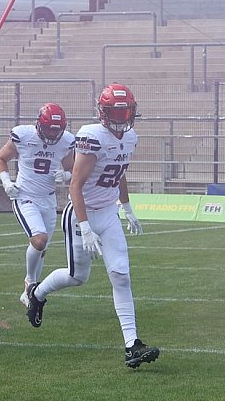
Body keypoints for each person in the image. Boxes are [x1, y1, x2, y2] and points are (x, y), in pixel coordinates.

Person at [23, 83, 158, 368]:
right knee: (77, 276)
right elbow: (75, 185)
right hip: (81, 213)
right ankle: (37, 293)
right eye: (116, 112)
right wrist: (84, 226)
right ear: (103, 113)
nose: (121, 118)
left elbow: (119, 172)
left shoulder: (130, 137)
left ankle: (132, 345)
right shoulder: (92, 136)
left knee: (121, 275)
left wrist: (127, 206)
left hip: (108, 213)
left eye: (125, 112)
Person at [0, 102, 76, 306]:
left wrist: (66, 175)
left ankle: (28, 294)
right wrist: (6, 182)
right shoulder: (24, 135)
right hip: (25, 196)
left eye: (56, 130)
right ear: (39, 124)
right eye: (49, 129)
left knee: (42, 249)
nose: (52, 134)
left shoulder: (66, 141)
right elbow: (1, 158)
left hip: (48, 199)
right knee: (39, 240)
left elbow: (72, 168)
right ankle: (30, 283)